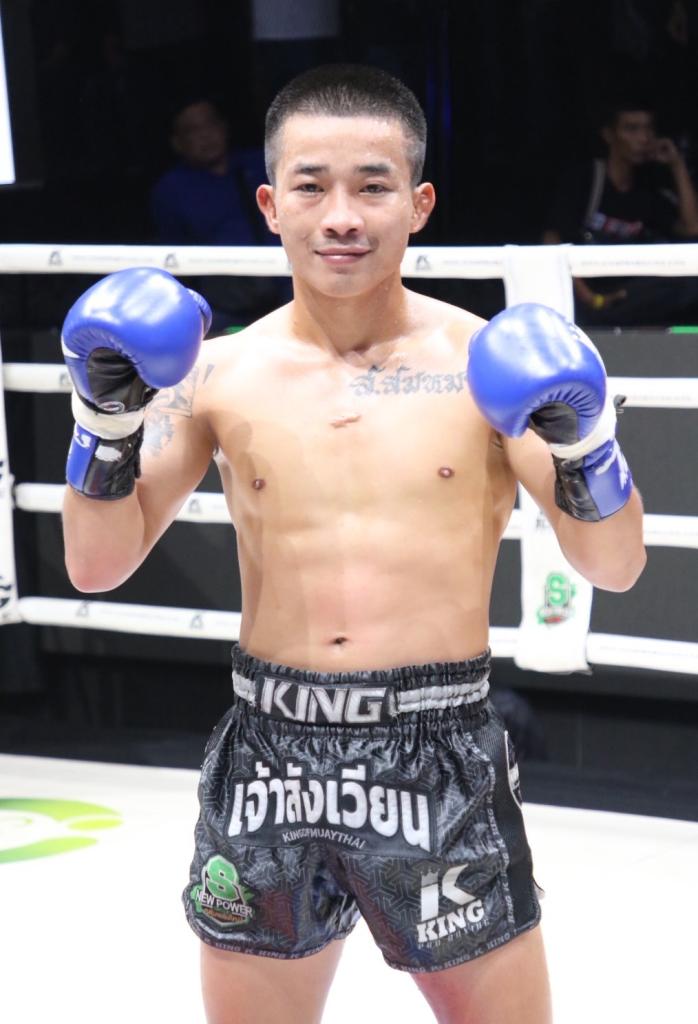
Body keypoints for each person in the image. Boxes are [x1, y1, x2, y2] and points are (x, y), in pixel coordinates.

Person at [61, 65, 646, 1024]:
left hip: (437, 751)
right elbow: (96, 564)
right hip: (270, 752)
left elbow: (613, 566)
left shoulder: (484, 365)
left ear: (418, 204)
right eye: (311, 185)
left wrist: (587, 444)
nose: (341, 216)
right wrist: (104, 423)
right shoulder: (218, 374)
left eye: (373, 186)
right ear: (270, 204)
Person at [543, 99, 698, 326]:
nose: (643, 138)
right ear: (609, 135)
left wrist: (677, 165)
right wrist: (591, 298)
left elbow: (692, 228)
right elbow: (552, 239)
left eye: (648, 129)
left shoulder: (649, 188)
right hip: (585, 300)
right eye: (632, 129)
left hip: (630, 297)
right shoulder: (587, 179)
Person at [151, 97, 282, 331]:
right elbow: (173, 260)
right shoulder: (172, 189)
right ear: (177, 142)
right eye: (192, 130)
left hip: (286, 287)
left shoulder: (261, 164)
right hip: (221, 306)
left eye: (210, 124)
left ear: (224, 127)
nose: (205, 135)